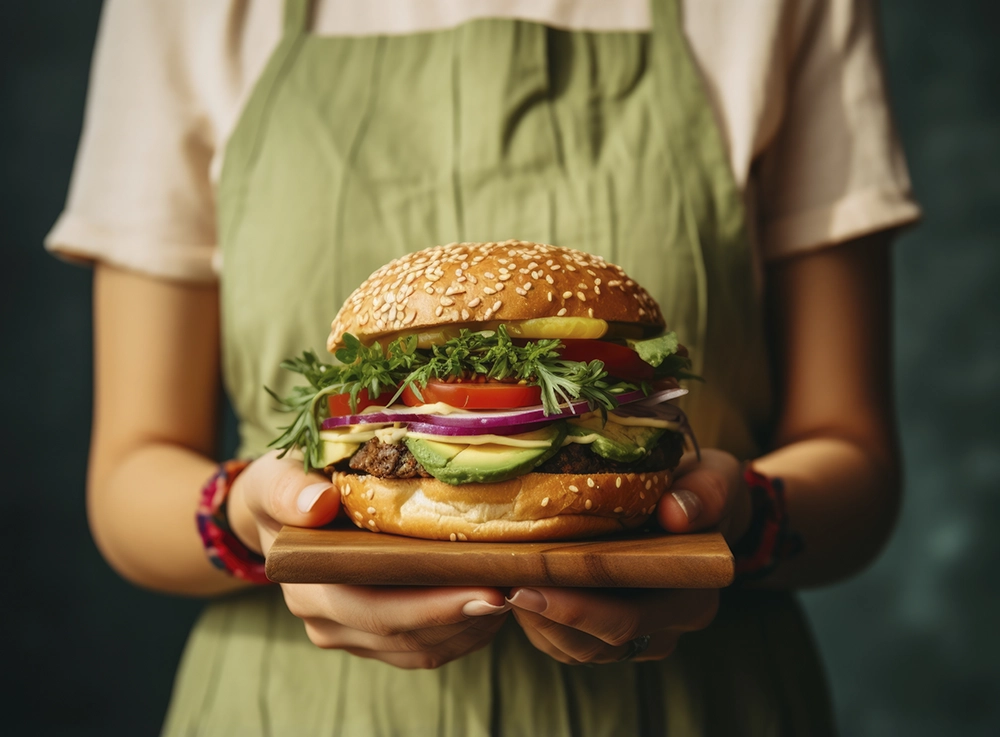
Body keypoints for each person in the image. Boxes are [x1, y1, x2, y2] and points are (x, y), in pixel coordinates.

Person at [47, 0, 920, 734]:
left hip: (700, 701)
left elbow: (857, 461)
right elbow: (130, 474)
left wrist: (740, 518)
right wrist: (248, 516)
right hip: (299, 705)